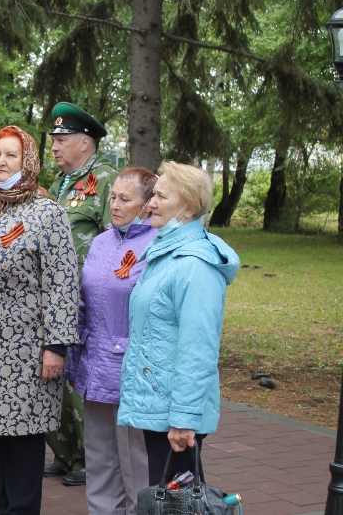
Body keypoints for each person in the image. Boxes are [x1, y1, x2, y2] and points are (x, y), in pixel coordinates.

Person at [0, 125, 80, 514]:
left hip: (26, 354)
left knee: (22, 442)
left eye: (11, 155)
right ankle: (2, 508)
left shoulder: (46, 212)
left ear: (28, 162)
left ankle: (19, 510)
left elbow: (62, 284)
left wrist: (56, 347)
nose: (1, 162)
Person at [117, 161, 240, 486]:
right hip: (160, 405)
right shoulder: (166, 253)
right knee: (172, 499)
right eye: (153, 194)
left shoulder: (194, 266)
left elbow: (198, 348)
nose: (151, 203)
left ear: (187, 205)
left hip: (175, 413)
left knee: (178, 502)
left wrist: (184, 419)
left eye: (161, 196)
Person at [64, 167, 158, 515]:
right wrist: (74, 358)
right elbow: (84, 304)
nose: (115, 205)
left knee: (136, 463)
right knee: (99, 458)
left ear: (148, 204)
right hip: (94, 367)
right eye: (113, 197)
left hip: (132, 371)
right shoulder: (102, 242)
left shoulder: (156, 245)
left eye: (126, 199)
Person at [45, 102, 116, 487]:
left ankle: (89, 458)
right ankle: (64, 452)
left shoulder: (106, 181)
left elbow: (116, 241)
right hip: (56, 298)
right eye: (53, 140)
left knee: (80, 379)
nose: (54, 147)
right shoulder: (60, 183)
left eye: (61, 140)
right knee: (54, 376)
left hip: (86, 300)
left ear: (85, 144)